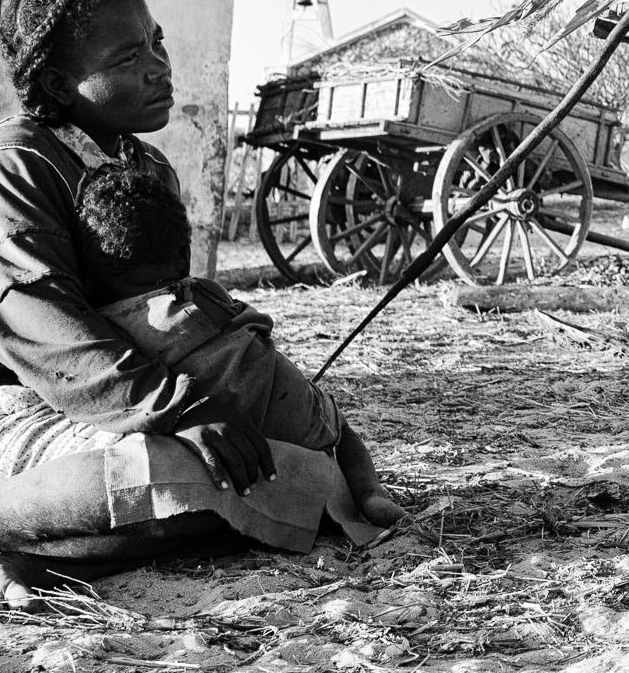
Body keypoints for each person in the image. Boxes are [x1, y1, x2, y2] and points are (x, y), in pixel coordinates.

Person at [0, 0, 402, 609]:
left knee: (264, 462)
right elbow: (40, 326)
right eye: (128, 54)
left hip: (98, 404)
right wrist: (185, 409)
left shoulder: (145, 168)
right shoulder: (10, 167)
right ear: (58, 83)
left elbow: (161, 313)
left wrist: (274, 395)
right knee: (178, 473)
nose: (158, 66)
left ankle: (6, 554)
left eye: (158, 42)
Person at [71, 161, 395, 541]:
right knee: (342, 429)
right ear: (182, 256)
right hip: (294, 421)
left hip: (217, 437)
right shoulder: (204, 295)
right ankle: (369, 492)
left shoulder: (106, 327)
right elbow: (259, 324)